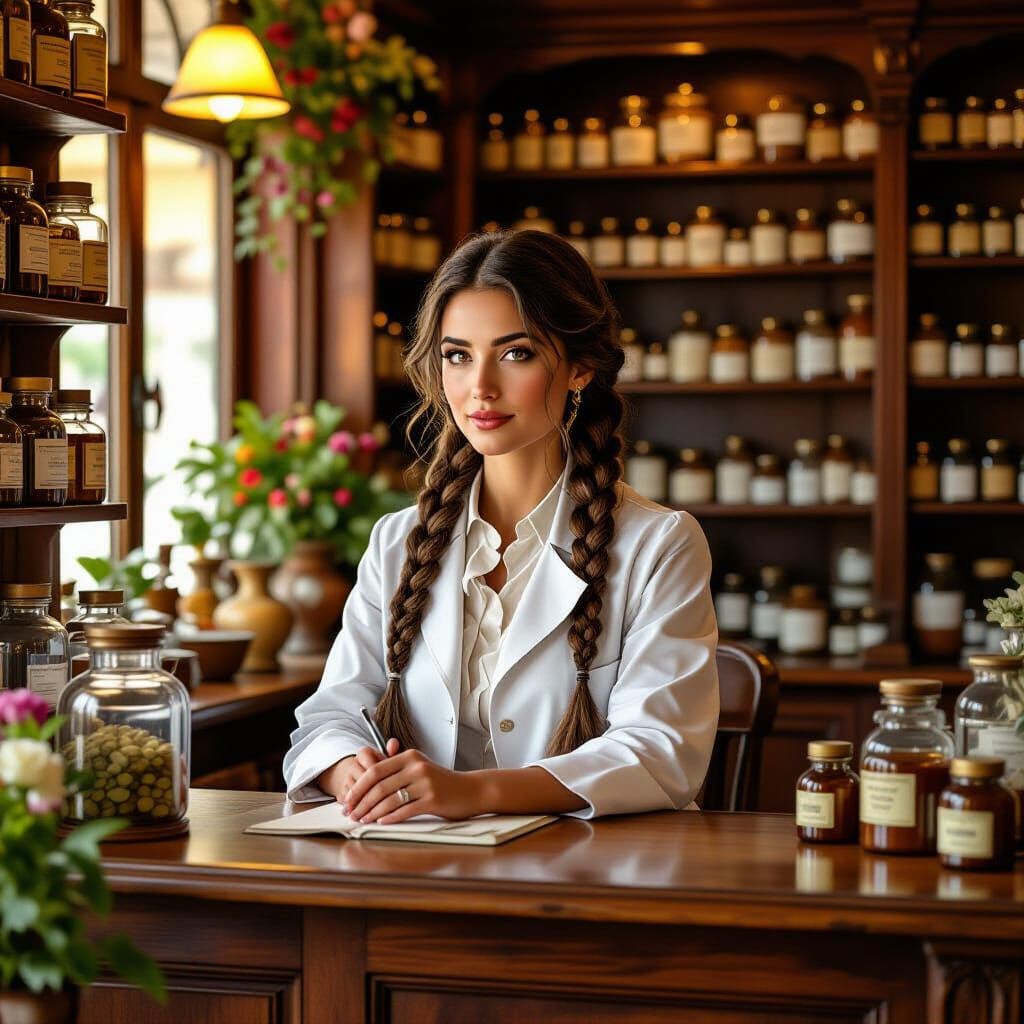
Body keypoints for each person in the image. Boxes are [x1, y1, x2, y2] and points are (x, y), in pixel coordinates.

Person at [283, 229, 719, 822]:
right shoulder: (396, 542)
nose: (480, 387)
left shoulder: (659, 544)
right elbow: (329, 716)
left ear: (580, 368)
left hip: (598, 872)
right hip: (418, 864)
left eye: (517, 353)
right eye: (457, 355)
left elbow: (661, 752)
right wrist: (352, 771)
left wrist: (476, 793)